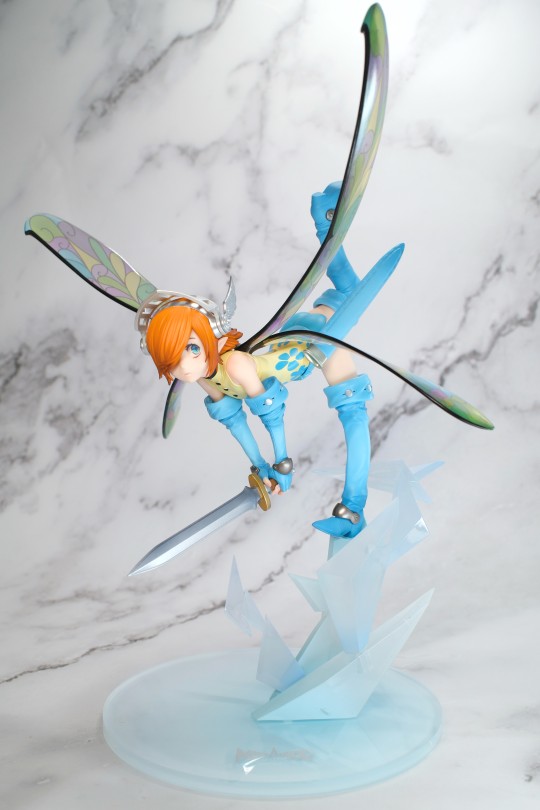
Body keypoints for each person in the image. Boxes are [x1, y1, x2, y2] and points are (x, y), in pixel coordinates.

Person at [143, 184, 373, 539]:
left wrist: (282, 463)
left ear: (208, 338)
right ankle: (326, 219)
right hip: (297, 333)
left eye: (190, 349)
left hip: (319, 341)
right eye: (171, 361)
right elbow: (236, 423)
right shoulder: (204, 376)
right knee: (346, 290)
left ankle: (354, 509)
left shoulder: (236, 365)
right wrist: (260, 465)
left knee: (353, 413)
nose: (184, 367)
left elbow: (271, 416)